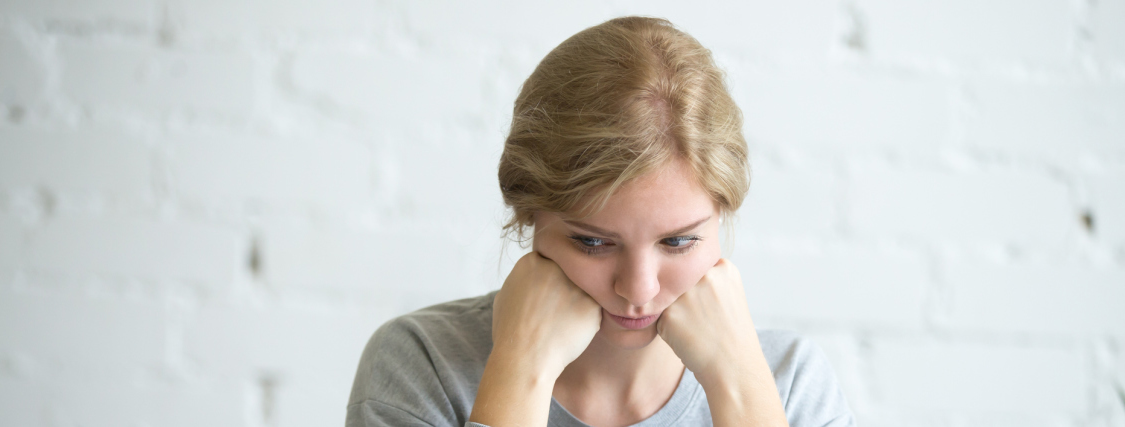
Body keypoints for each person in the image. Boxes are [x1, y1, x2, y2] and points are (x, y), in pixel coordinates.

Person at [346, 16, 855, 427]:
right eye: (592, 243)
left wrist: (739, 387)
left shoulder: (789, 383)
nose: (638, 288)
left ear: (721, 215)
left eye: (678, 241)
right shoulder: (425, 366)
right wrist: (521, 371)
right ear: (529, 214)